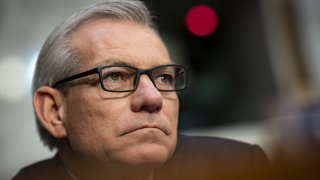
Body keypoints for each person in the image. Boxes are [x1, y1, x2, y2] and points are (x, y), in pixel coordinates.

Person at [13, 0, 269, 179]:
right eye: (115, 76)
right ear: (54, 111)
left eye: (164, 78)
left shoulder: (239, 168)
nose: (153, 98)